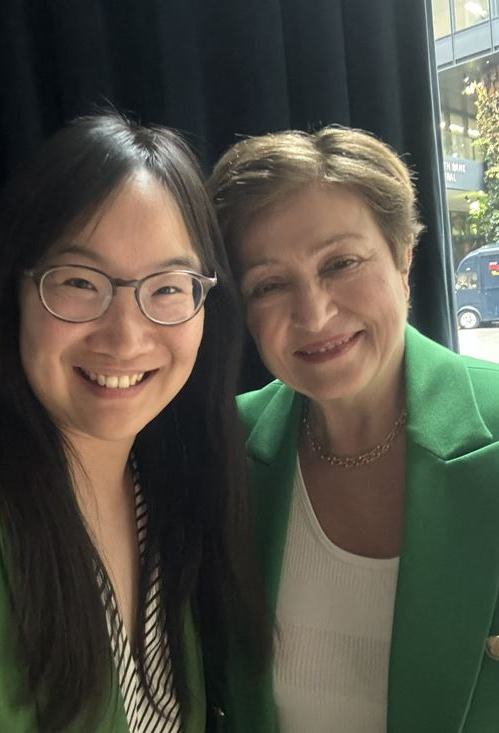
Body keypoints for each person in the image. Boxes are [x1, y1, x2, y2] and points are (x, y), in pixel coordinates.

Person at [0, 113, 265, 732]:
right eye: (78, 282)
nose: (125, 337)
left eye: (168, 288)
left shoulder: (182, 486)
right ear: (16, 290)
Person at [208, 127, 499, 733]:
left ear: (403, 258)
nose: (313, 314)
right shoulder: (226, 450)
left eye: (340, 263)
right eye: (269, 284)